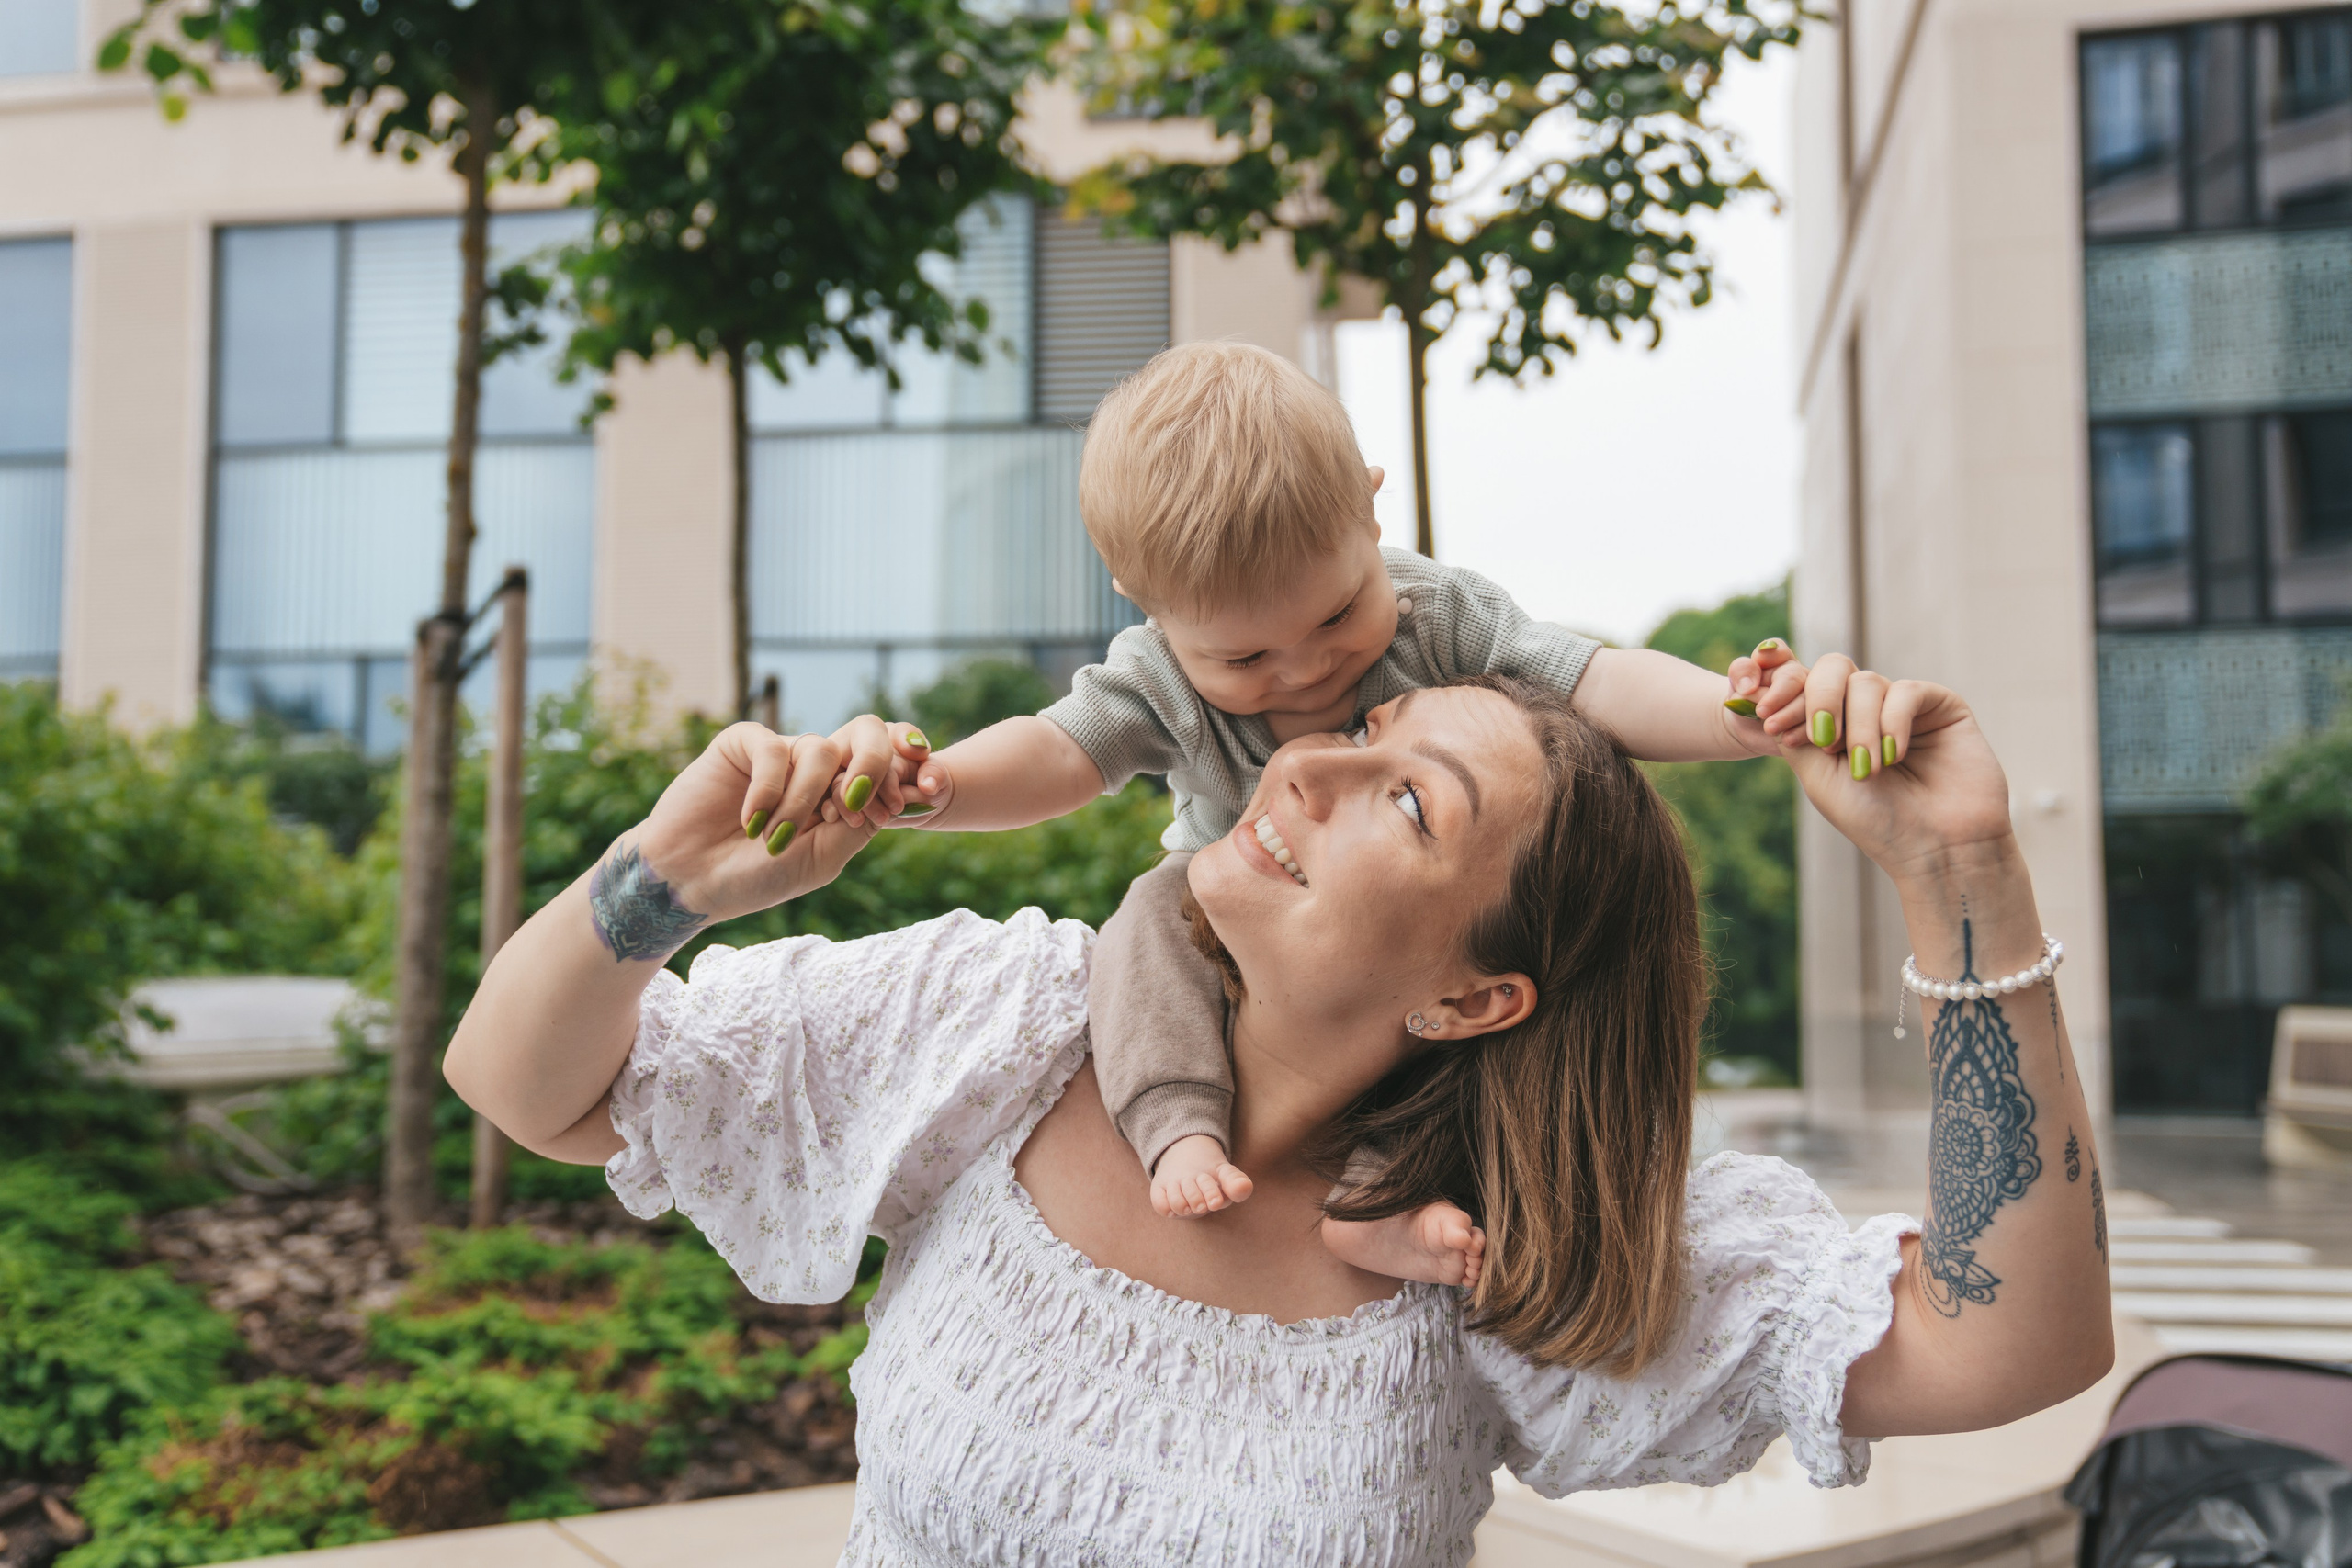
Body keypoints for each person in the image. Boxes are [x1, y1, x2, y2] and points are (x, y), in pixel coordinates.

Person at [446, 660, 2116, 1566]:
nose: (1302, 763)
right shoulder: (1011, 1028)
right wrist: (658, 889)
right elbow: (528, 1085)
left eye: (1403, 795)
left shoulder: (1485, 1235)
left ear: (1477, 997)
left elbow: (2005, 1346)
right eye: (1370, 725)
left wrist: (1962, 879)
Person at [821, 340, 1815, 1289]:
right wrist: (936, 786)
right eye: (1244, 662)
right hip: (1225, 901)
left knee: (1436, 1011)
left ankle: (1381, 1194)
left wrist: (1736, 723)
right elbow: (1059, 751)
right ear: (1145, 605)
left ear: (1371, 515)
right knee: (1148, 926)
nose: (1304, 671)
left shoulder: (1442, 615)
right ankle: (1174, 1122)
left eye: (1339, 618)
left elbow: (1594, 679)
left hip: (1369, 947)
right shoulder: (1158, 677)